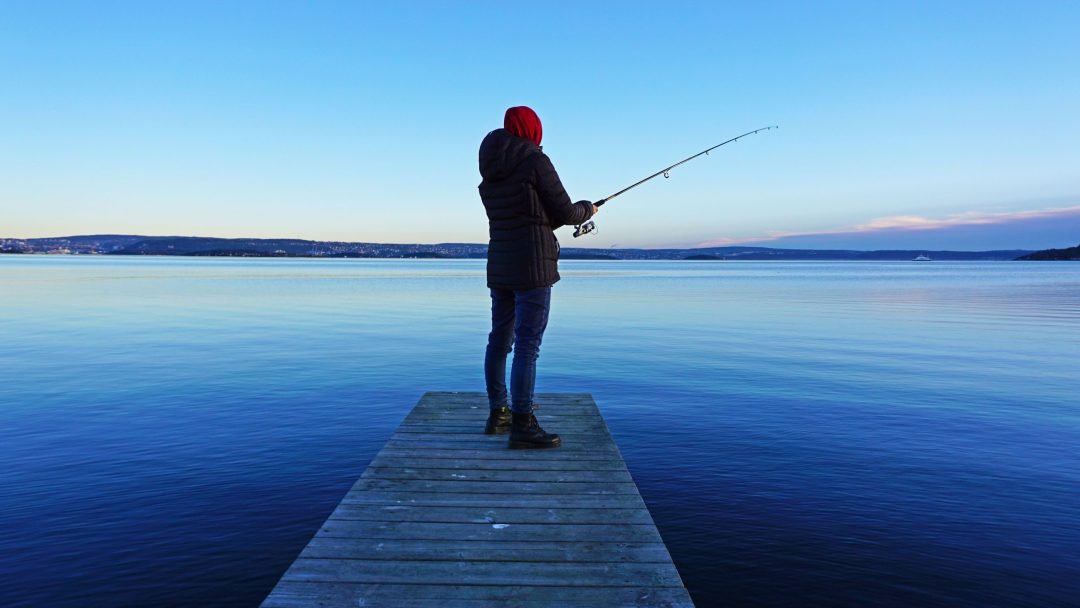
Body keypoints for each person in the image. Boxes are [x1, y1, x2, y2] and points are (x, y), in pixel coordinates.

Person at [477, 106, 598, 449]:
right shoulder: (535, 161)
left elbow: (531, 216)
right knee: (527, 347)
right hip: (532, 266)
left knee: (500, 340)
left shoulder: (490, 170)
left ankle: (498, 414)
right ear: (532, 131)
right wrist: (587, 209)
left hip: (501, 263)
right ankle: (523, 425)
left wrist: (561, 217)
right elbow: (564, 212)